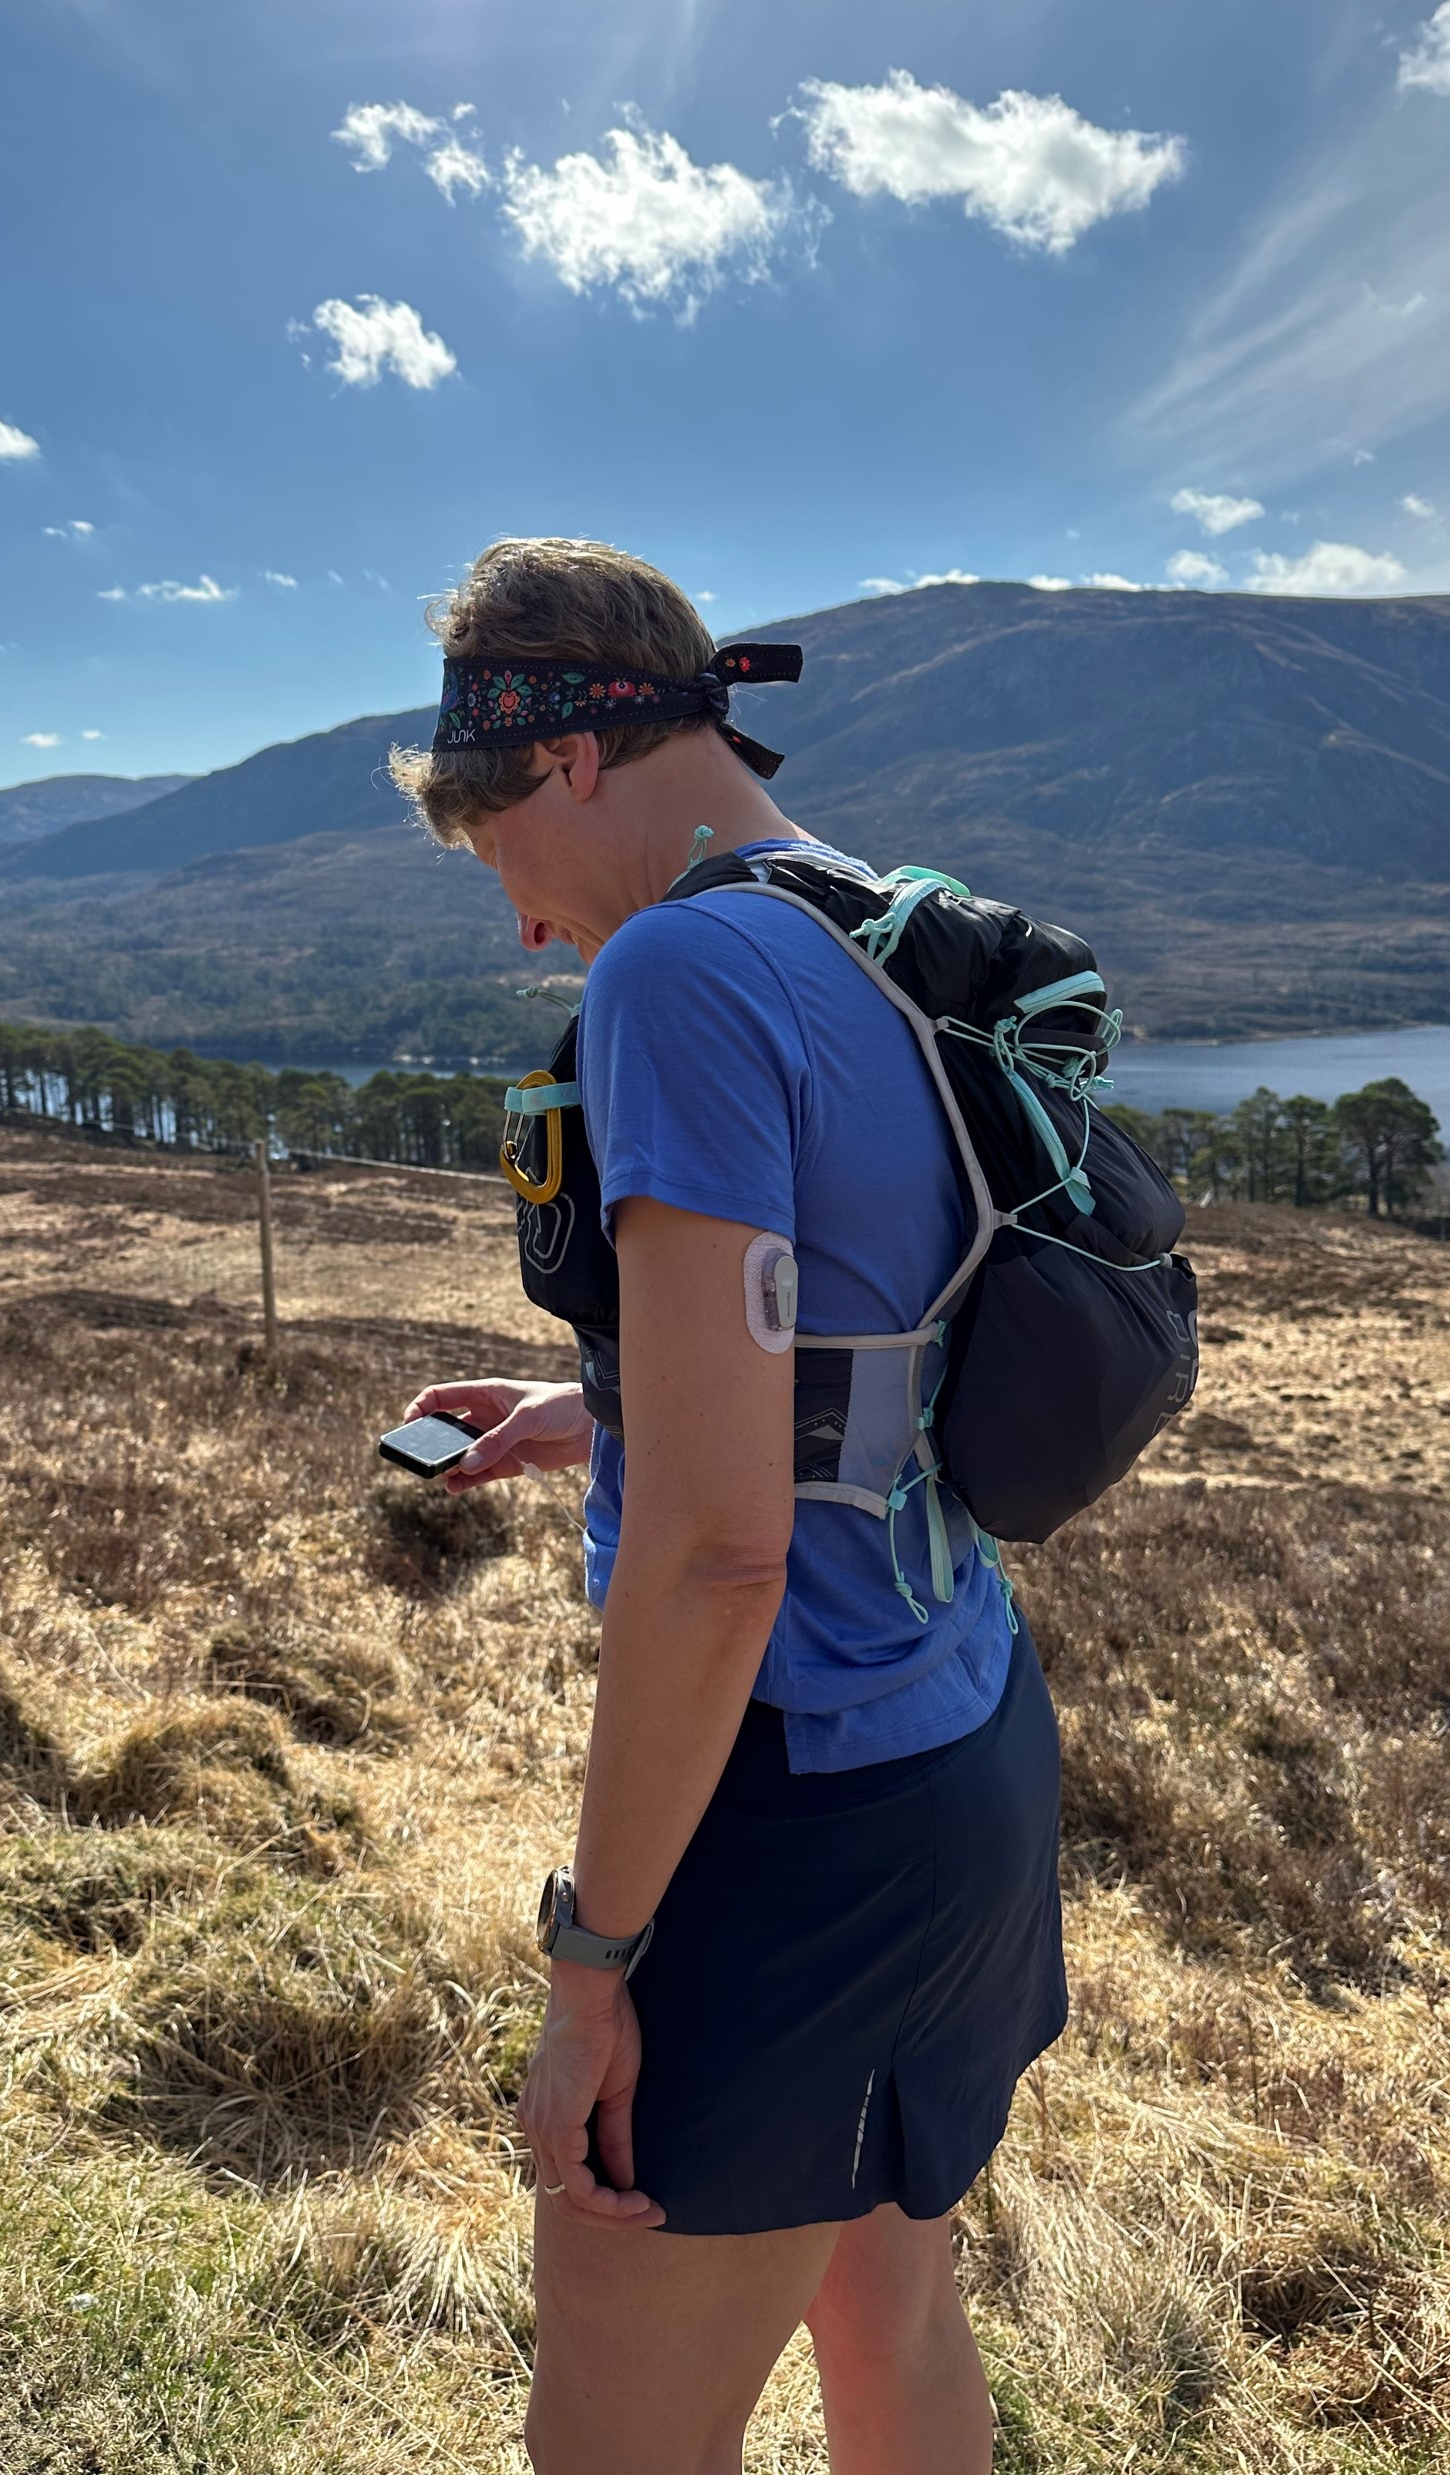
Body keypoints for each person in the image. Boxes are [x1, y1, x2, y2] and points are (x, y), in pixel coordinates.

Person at [391, 539, 1066, 2475]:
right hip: (967, 1750)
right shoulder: (868, 929)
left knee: (611, 2441)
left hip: (784, 1826)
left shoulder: (679, 965)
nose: (522, 926)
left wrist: (589, 1963)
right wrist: (587, 1410)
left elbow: (720, 1554)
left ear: (571, 761)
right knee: (889, 2310)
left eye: (490, 846)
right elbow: (855, 1385)